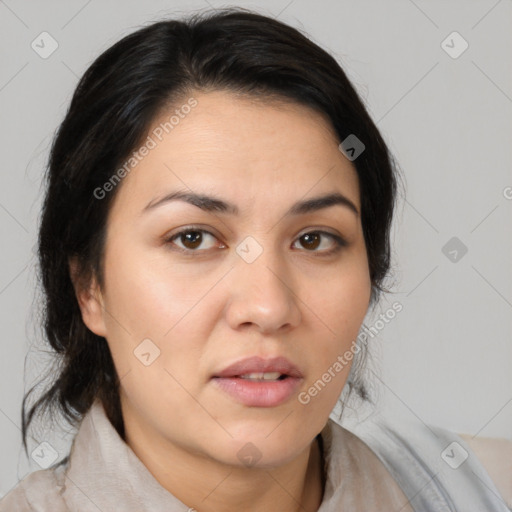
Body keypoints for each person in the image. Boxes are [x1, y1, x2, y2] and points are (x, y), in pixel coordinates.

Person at [1, 8, 510, 512]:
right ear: (89, 286)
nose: (267, 307)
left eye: (314, 240)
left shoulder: (483, 492)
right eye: (194, 238)